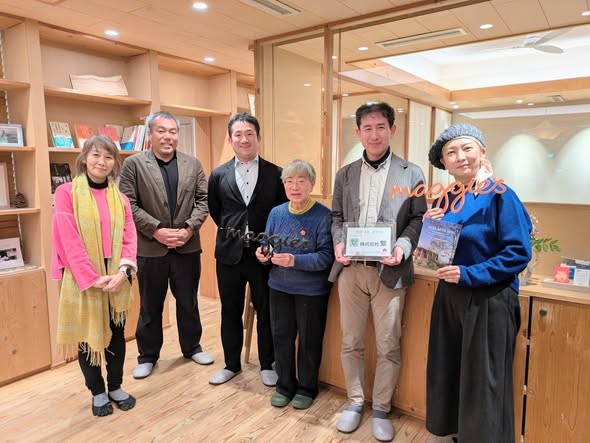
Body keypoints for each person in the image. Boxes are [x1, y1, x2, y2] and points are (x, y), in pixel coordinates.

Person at [424, 124, 532, 443]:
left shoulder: (501, 195)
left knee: (484, 381)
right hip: (449, 296)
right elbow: (435, 255)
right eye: (451, 152)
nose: (460, 157)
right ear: (444, 162)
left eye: (467, 148)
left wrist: (469, 274)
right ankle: (455, 433)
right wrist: (428, 233)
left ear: (482, 152)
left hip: (489, 298)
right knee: (449, 370)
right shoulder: (445, 198)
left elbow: (518, 252)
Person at [331, 101, 427, 442]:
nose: (374, 134)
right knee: (351, 341)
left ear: (392, 130)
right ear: (358, 132)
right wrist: (339, 242)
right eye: (367, 128)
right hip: (351, 270)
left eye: (380, 127)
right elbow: (337, 217)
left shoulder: (411, 172)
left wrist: (403, 245)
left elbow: (418, 218)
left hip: (391, 271)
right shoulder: (344, 174)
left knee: (389, 344)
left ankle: (382, 408)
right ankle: (355, 402)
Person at [119, 111, 211, 380]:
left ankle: (192, 347)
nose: (168, 136)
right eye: (161, 131)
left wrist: (189, 228)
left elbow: (203, 201)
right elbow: (128, 204)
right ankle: (147, 356)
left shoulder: (193, 164)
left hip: (186, 246)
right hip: (151, 248)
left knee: (188, 301)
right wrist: (156, 230)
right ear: (150, 134)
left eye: (173, 131)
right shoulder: (134, 165)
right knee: (150, 305)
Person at [51, 135, 137, 417]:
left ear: (115, 163)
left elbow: (129, 237)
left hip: (117, 275)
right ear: (85, 158)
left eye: (109, 157)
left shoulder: (121, 198)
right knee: (87, 336)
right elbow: (68, 239)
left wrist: (123, 272)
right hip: (83, 277)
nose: (102, 161)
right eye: (96, 155)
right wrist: (92, 277)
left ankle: (115, 386)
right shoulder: (66, 193)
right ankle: (97, 391)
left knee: (116, 334)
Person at [208, 112, 287, 386]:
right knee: (229, 310)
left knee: (266, 310)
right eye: (238, 135)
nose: (244, 139)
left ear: (258, 138)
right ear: (230, 140)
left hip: (263, 255)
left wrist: (268, 245)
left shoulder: (276, 174)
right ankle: (231, 364)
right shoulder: (218, 175)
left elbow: (281, 214)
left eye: (249, 134)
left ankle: (267, 364)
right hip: (228, 254)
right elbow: (216, 211)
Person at [254, 159, 333, 410]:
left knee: (309, 340)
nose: (295, 186)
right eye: (289, 181)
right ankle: (284, 385)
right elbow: (268, 244)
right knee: (281, 337)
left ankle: (307, 388)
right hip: (278, 286)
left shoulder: (323, 215)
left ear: (312, 184)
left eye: (301, 181)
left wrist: (294, 260)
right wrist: (263, 254)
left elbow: (326, 257)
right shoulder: (276, 213)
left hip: (311, 291)